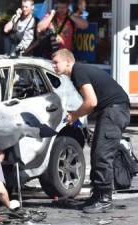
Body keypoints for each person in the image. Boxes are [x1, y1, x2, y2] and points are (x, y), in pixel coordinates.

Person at [52, 49, 130, 213]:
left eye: (56, 62)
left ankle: (105, 199)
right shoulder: (77, 73)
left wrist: (74, 115)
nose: (53, 66)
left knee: (102, 155)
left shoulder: (78, 70)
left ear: (68, 61)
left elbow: (91, 101)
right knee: (97, 153)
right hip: (112, 111)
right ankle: (97, 196)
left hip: (114, 111)